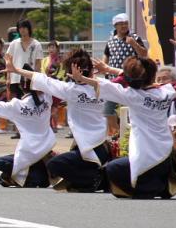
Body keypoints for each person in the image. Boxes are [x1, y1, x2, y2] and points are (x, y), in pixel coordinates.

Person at [73, 57, 176, 198]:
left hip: (145, 153)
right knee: (141, 167)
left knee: (113, 168)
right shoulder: (167, 91)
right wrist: (110, 69)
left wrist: (82, 78)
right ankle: (164, 186)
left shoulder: (131, 95)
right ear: (153, 75)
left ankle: (148, 189)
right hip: (165, 152)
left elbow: (103, 84)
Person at [9, 49, 109, 192]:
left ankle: (97, 180)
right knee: (67, 167)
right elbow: (126, 81)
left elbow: (42, 80)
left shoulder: (70, 90)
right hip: (103, 149)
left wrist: (16, 70)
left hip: (89, 150)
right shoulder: (104, 85)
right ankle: (90, 178)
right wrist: (107, 70)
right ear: (91, 69)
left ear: (70, 72)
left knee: (55, 165)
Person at [103, 13, 148, 138]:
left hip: (131, 79)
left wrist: (134, 44)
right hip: (114, 79)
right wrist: (103, 68)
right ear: (115, 26)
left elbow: (144, 54)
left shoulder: (135, 37)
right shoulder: (111, 40)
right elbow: (106, 56)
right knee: (107, 109)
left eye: (126, 23)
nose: (124, 26)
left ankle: (130, 135)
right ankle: (118, 135)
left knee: (131, 109)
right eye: (121, 24)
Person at [6, 19, 44, 139]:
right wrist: (8, 77)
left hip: (29, 79)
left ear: (29, 29)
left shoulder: (36, 44)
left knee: (30, 105)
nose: (22, 30)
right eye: (20, 28)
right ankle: (19, 131)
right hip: (15, 78)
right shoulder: (14, 43)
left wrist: (36, 78)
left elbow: (38, 63)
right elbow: (8, 61)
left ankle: (30, 130)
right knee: (17, 105)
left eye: (24, 27)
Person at [41, 40, 67, 133]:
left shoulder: (61, 61)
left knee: (54, 107)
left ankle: (54, 125)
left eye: (53, 47)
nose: (51, 49)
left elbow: (62, 73)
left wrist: (53, 78)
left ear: (57, 49)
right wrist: (46, 77)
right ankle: (49, 126)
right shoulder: (44, 60)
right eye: (49, 47)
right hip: (46, 86)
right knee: (47, 107)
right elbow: (42, 71)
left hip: (56, 86)